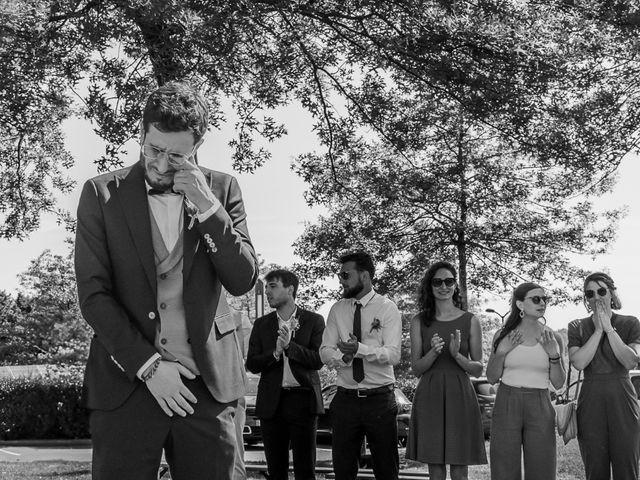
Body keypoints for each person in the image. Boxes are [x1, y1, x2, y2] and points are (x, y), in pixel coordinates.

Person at [74, 81, 258, 480]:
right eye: (154, 149)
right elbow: (93, 295)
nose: (160, 164)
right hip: (128, 384)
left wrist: (209, 208)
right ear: (141, 135)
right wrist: (150, 366)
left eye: (176, 156)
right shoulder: (101, 194)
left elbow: (242, 279)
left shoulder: (223, 189)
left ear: (196, 146)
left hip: (208, 388)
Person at [320, 251, 402, 480]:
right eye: (339, 275)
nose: (341, 280)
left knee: (386, 470)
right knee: (343, 471)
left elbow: (394, 355)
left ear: (364, 276)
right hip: (345, 400)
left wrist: (361, 350)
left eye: (346, 274)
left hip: (380, 401)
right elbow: (325, 351)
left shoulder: (387, 308)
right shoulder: (337, 309)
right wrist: (344, 357)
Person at [405, 261, 487, 480]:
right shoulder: (419, 321)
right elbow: (416, 369)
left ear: (455, 286)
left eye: (449, 281)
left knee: (460, 468)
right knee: (436, 468)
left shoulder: (471, 320)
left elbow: (478, 369)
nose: (444, 286)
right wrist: (433, 352)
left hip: (460, 394)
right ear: (429, 286)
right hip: (430, 394)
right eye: (437, 282)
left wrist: (457, 355)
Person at [246, 269, 325, 480]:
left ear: (290, 289)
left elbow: (318, 360)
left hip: (303, 400)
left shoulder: (314, 320)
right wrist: (275, 353)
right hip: (272, 403)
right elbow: (252, 364)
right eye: (267, 287)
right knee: (276, 469)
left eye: (273, 286)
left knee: (305, 468)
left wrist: (290, 346)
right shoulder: (261, 324)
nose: (268, 292)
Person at [486, 282, 565, 480]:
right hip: (506, 400)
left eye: (545, 299)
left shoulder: (553, 336)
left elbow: (559, 383)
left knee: (542, 467)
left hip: (540, 402)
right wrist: (501, 351)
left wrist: (553, 354)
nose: (542, 303)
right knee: (503, 467)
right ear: (520, 305)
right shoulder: (503, 334)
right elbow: (492, 377)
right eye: (536, 299)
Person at [568, 272, 640, 480]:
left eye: (601, 291)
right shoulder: (576, 326)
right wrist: (598, 331)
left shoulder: (630, 323)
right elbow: (579, 362)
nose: (596, 298)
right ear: (586, 299)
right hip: (590, 399)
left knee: (627, 468)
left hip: (623, 398)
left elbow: (630, 361)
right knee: (595, 469)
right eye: (590, 294)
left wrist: (609, 328)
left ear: (611, 293)